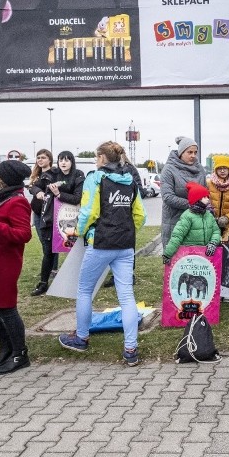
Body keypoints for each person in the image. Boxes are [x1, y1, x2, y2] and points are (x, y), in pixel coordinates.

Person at [58, 141, 146, 365]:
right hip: (126, 245)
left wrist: (77, 230)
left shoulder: (95, 178)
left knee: (85, 290)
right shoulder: (131, 181)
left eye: (97, 158)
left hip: (100, 243)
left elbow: (88, 212)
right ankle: (130, 349)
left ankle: (81, 337)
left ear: (102, 158)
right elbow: (140, 216)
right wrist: (125, 229)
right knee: (126, 296)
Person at [0, 160, 33, 375]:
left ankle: (20, 353)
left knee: (6, 307)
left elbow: (24, 235)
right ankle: (6, 346)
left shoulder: (17, 201)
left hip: (6, 262)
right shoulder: (0, 197)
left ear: (5, 177)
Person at [30, 150, 85, 296]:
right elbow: (35, 186)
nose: (63, 163)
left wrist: (59, 194)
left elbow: (77, 198)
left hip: (72, 220)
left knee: (74, 250)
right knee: (48, 252)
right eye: (61, 160)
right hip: (50, 219)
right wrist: (37, 192)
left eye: (67, 160)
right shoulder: (51, 174)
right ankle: (43, 283)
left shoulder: (78, 175)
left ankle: (78, 282)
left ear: (72, 162)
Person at [160, 136, 207, 248]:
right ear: (181, 152)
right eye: (189, 152)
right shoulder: (169, 169)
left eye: (195, 152)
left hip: (196, 222)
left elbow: (205, 191)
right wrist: (193, 205)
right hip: (175, 222)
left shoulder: (200, 169)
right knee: (175, 260)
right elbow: (167, 197)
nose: (193, 155)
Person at [162, 182, 221, 263]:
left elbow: (216, 231)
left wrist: (213, 243)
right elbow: (177, 235)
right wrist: (167, 254)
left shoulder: (209, 215)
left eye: (207, 196)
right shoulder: (187, 216)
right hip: (189, 256)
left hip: (205, 256)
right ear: (197, 199)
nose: (208, 199)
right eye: (204, 197)